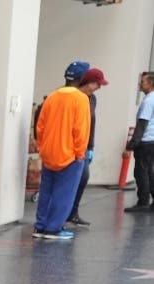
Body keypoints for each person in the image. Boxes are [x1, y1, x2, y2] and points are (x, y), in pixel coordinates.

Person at [34, 64, 95, 240]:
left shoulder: (52, 96)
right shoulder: (81, 99)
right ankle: (53, 229)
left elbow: (40, 126)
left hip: (48, 153)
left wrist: (42, 147)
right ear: (83, 78)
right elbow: (80, 130)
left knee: (46, 192)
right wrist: (80, 153)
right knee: (64, 193)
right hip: (69, 155)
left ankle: (40, 227)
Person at [64, 62, 100, 228]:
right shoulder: (67, 96)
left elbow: (91, 122)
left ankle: (73, 212)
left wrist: (90, 146)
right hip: (66, 144)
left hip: (83, 145)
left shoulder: (91, 99)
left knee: (83, 177)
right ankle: (61, 215)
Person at [125, 71, 154, 212]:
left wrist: (131, 145)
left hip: (146, 143)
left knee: (141, 173)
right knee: (150, 172)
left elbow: (142, 124)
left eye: (143, 82)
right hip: (152, 142)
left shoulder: (149, 101)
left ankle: (143, 202)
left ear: (151, 84)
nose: (140, 84)